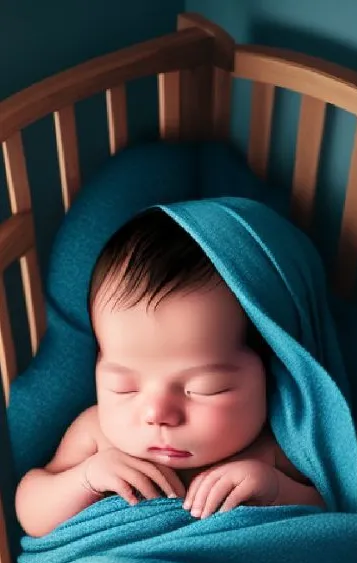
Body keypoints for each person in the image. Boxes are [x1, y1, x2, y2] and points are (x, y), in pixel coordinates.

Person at [15, 208, 325, 538]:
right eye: (124, 387)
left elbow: (335, 527)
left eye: (207, 387)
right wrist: (85, 480)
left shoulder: (275, 447)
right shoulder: (95, 434)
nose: (157, 414)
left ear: (271, 371)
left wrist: (277, 491)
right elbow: (33, 514)